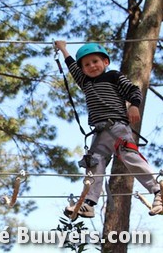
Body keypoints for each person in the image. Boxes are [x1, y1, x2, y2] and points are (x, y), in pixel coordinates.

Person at [55, 40, 162, 218]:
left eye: (95, 61)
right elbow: (72, 66)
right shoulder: (85, 82)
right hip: (99, 133)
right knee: (94, 164)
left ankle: (158, 190)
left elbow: (133, 90)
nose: (92, 66)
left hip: (117, 128)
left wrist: (133, 106)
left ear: (105, 62)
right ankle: (88, 203)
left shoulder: (113, 76)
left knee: (130, 157)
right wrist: (63, 48)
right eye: (87, 64)